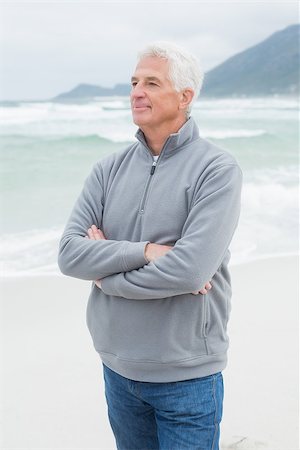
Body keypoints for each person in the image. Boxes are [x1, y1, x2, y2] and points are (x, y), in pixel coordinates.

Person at [58, 41, 243, 450]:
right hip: (117, 370)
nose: (136, 91)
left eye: (152, 82)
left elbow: (190, 271)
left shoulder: (217, 170)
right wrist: (143, 252)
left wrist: (106, 280)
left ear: (184, 97)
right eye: (134, 81)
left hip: (186, 377)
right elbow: (70, 254)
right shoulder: (107, 170)